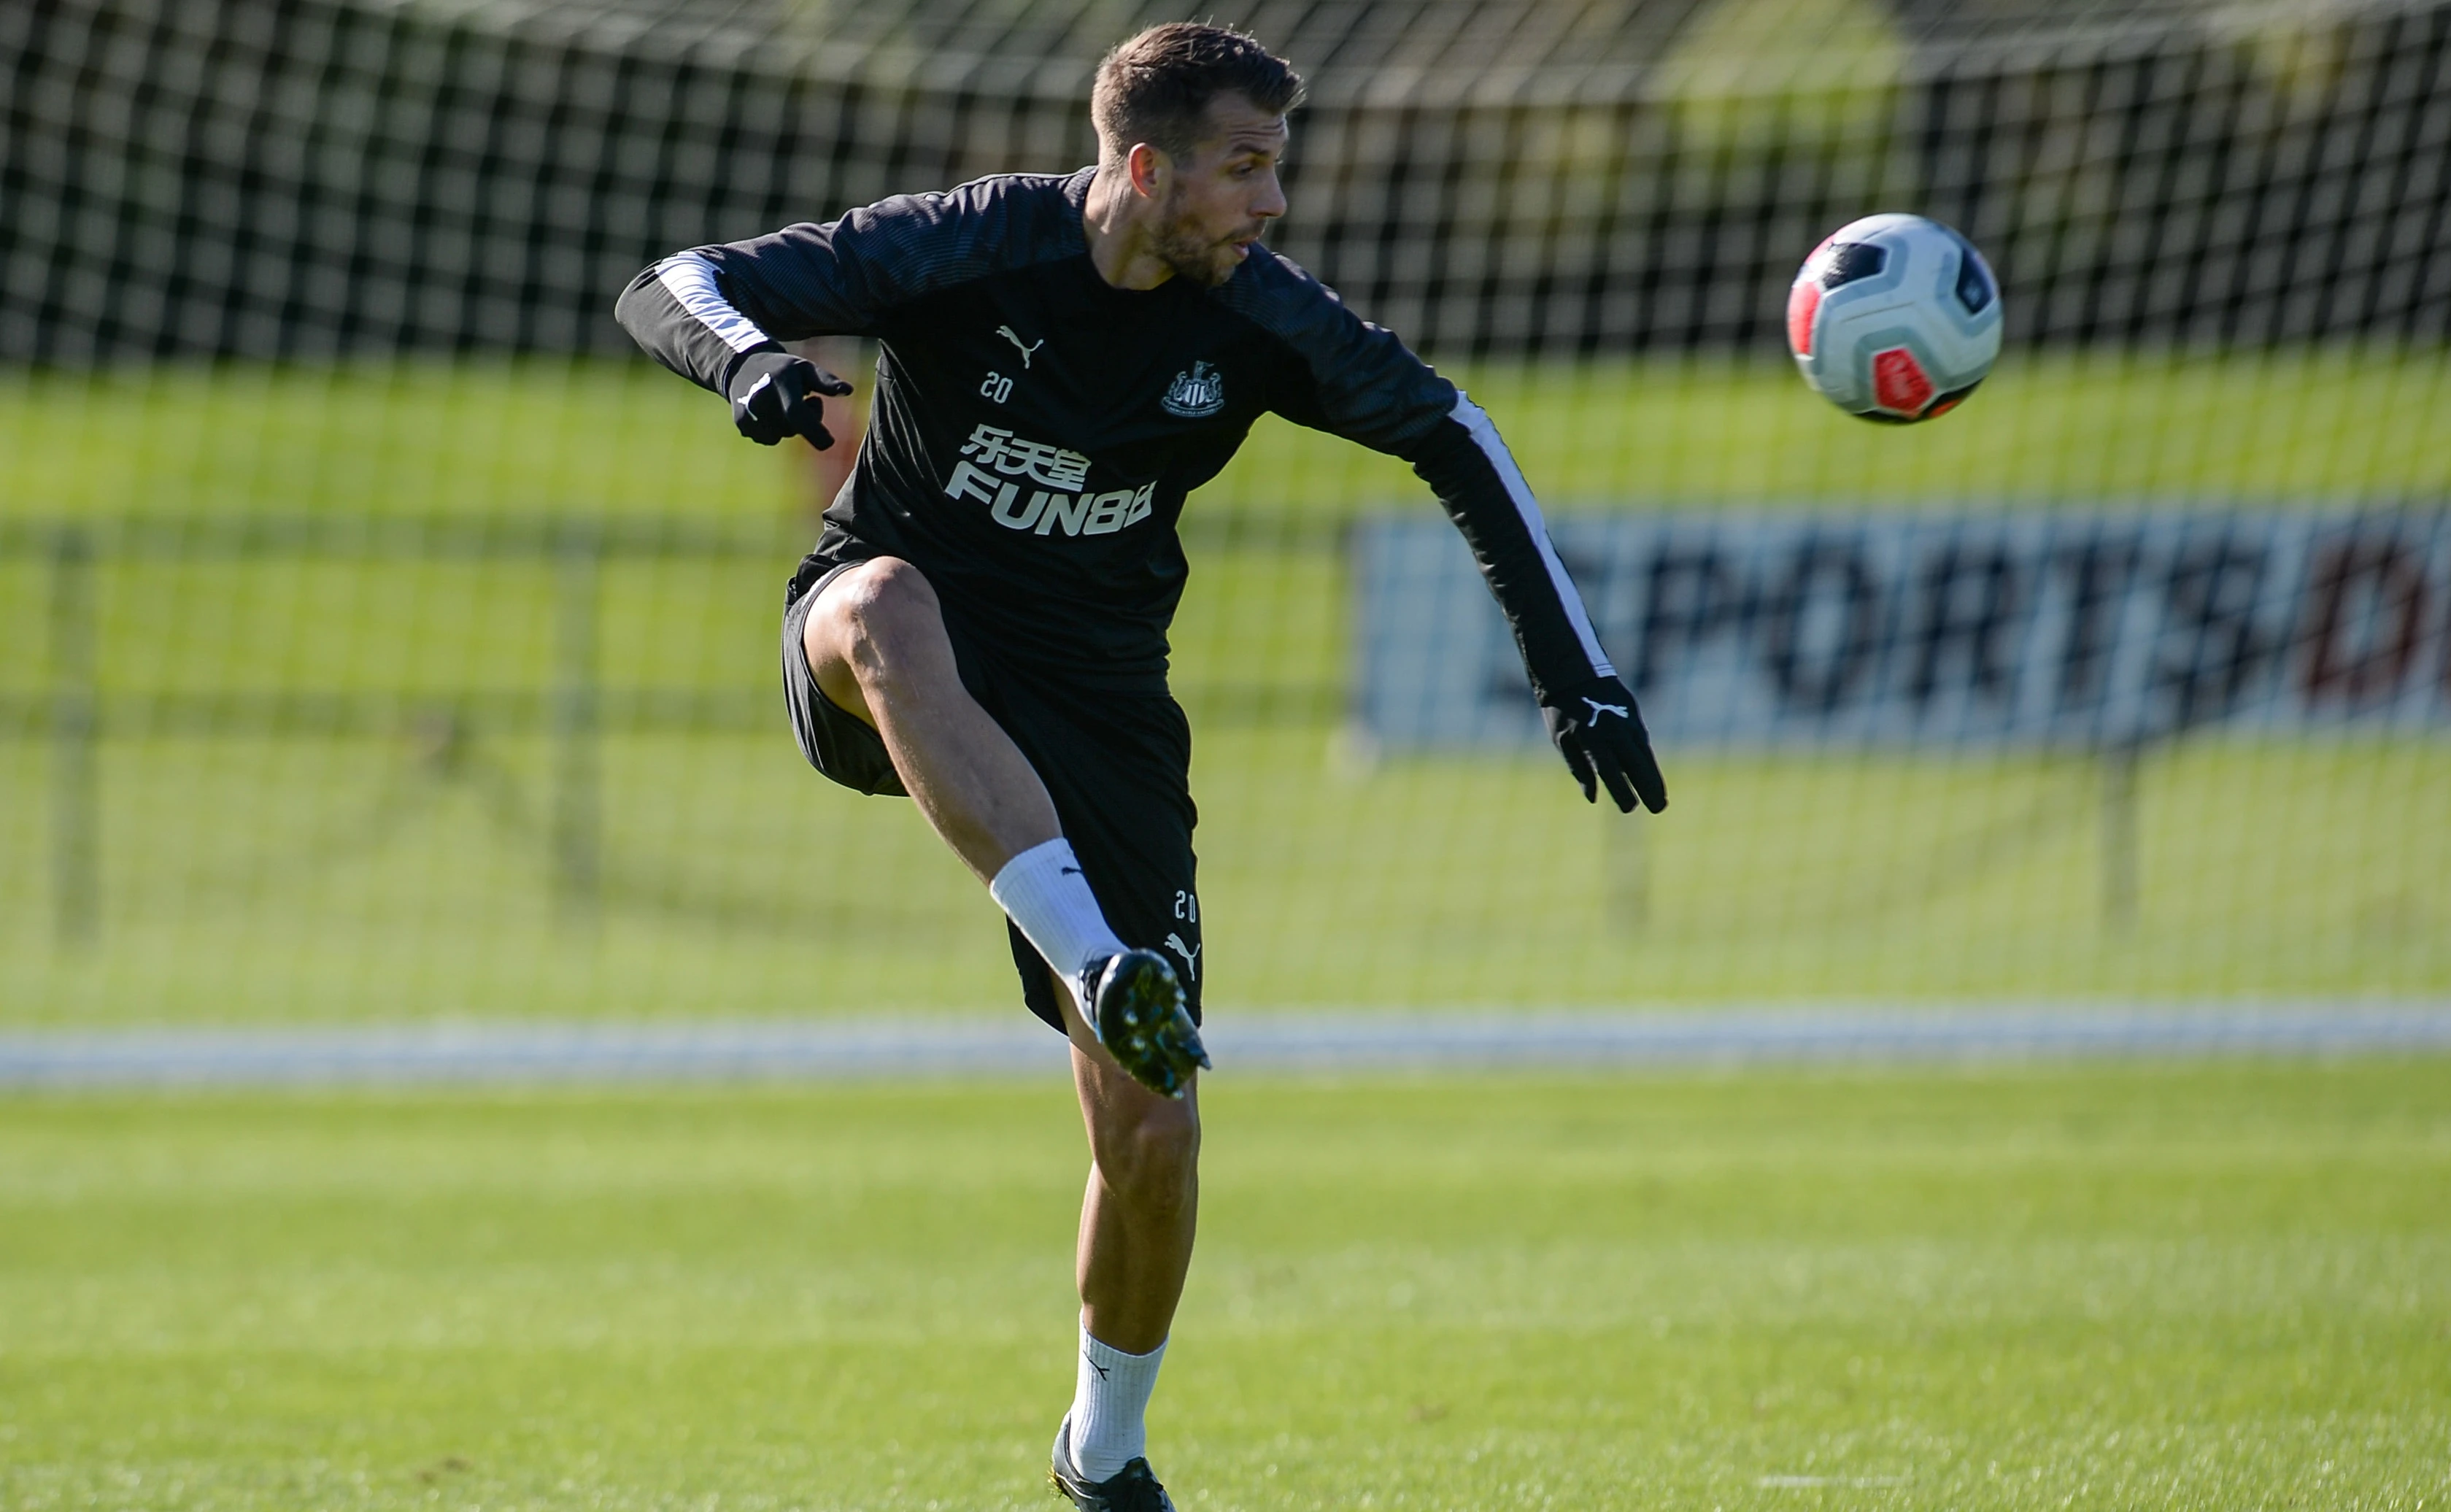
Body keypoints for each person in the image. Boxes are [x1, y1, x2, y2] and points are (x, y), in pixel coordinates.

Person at [616, 22, 1665, 1511]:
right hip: (888, 669)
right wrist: (745, 364)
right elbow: (672, 283)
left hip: (1097, 716)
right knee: (879, 598)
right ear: (1143, 165)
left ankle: (1099, 1452)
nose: (1271, 204)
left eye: (1274, 170)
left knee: (1154, 1127)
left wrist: (1574, 672)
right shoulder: (977, 244)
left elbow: (1452, 434)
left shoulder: (1255, 313)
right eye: (1245, 169)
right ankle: (1097, 955)